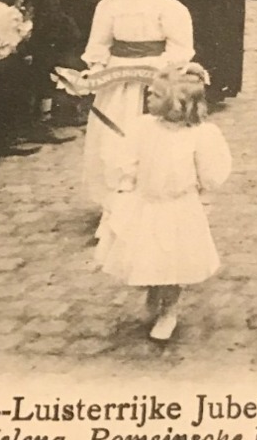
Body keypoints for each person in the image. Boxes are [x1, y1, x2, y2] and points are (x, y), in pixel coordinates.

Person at [94, 63, 232, 342]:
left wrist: (203, 194)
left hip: (178, 207)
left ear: (175, 102)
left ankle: (169, 310)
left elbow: (210, 173)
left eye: (155, 95)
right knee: (148, 255)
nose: (148, 98)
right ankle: (154, 291)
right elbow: (129, 161)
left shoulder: (199, 135)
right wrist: (124, 190)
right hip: (145, 203)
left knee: (173, 262)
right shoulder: (143, 127)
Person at [80, 0, 195, 209]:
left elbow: (180, 46)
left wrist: (162, 69)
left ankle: (154, 195)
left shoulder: (169, 6)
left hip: (153, 75)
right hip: (118, 77)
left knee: (153, 135)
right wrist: (97, 69)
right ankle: (114, 200)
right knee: (113, 136)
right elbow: (99, 44)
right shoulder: (110, 6)